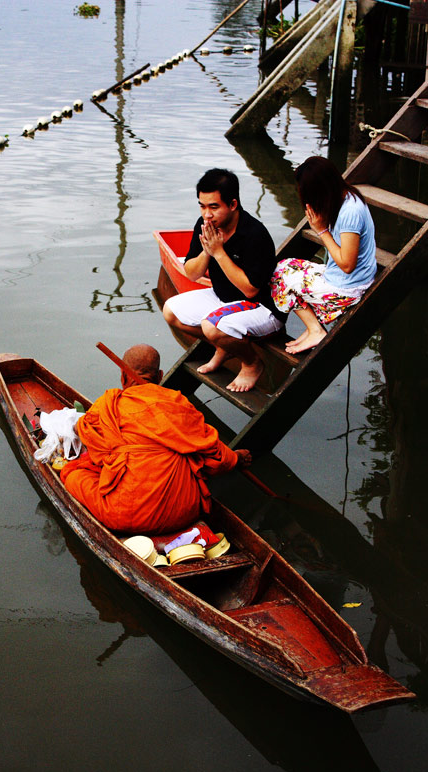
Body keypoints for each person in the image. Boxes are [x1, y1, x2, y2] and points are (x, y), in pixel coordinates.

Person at [60, 344, 252, 535]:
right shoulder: (178, 403)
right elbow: (215, 456)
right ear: (160, 376)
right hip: (185, 512)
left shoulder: (108, 404)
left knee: (73, 472)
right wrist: (235, 458)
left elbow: (82, 430)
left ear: (123, 376)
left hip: (125, 516)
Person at [163, 168, 286, 393]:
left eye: (214, 207)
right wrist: (207, 251)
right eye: (202, 205)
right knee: (171, 311)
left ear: (232, 204)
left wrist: (219, 252)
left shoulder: (254, 233)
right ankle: (225, 344)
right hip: (224, 300)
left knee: (212, 325)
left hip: (262, 308)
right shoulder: (205, 225)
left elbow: (250, 290)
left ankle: (251, 362)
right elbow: (191, 273)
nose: (207, 214)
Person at [271, 156, 377, 354]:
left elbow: (347, 264)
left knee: (279, 279)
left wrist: (321, 231)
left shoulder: (349, 213)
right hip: (343, 276)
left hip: (347, 287)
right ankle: (313, 328)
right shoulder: (345, 196)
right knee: (284, 266)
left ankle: (315, 330)